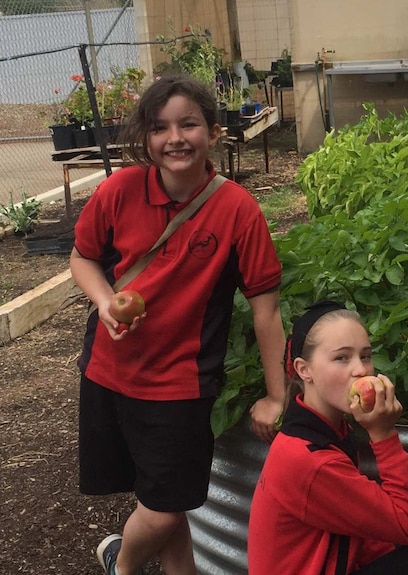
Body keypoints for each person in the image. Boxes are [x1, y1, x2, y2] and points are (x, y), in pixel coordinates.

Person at [71, 75, 286, 575]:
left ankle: (119, 564)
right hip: (109, 371)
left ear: (213, 133)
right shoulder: (120, 190)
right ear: (146, 138)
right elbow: (82, 257)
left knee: (167, 502)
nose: (175, 138)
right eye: (161, 127)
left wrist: (277, 397)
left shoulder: (237, 211)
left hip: (180, 385)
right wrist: (105, 301)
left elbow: (266, 310)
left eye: (189, 124)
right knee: (161, 495)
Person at [247, 300, 408, 575]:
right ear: (304, 370)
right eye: (342, 357)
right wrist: (384, 433)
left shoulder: (322, 432)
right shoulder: (310, 459)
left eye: (365, 356)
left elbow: (361, 531)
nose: (361, 370)